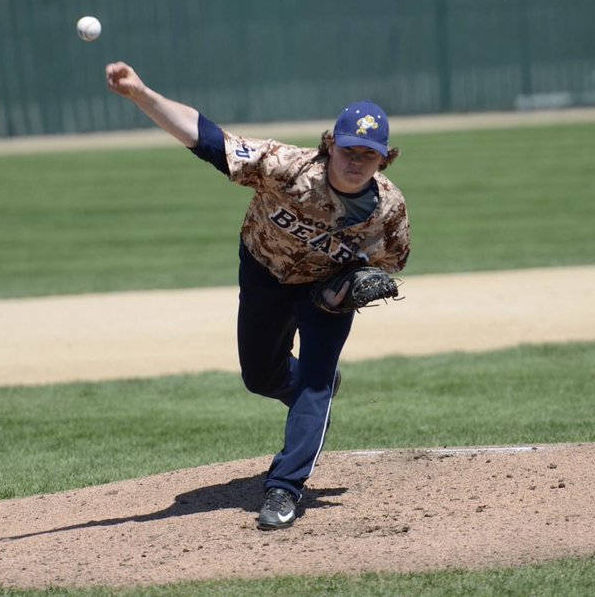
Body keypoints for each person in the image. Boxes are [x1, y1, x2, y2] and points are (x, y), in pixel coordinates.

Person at [104, 61, 411, 531]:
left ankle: (284, 488)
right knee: (260, 376)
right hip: (264, 274)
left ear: (383, 159)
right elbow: (206, 139)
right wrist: (142, 94)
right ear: (331, 145)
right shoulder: (284, 167)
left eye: (367, 155)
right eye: (348, 150)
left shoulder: (389, 209)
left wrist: (351, 286)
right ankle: (312, 397)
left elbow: (390, 264)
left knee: (315, 382)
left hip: (325, 294)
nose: (355, 161)